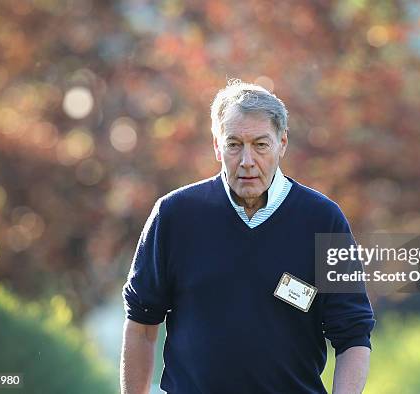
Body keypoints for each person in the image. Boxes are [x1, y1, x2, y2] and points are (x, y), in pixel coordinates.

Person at [120, 80, 375, 394]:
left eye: (261, 144)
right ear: (217, 146)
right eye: (234, 144)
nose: (247, 161)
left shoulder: (325, 220)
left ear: (282, 143)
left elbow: (353, 337)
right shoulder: (174, 215)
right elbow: (142, 323)